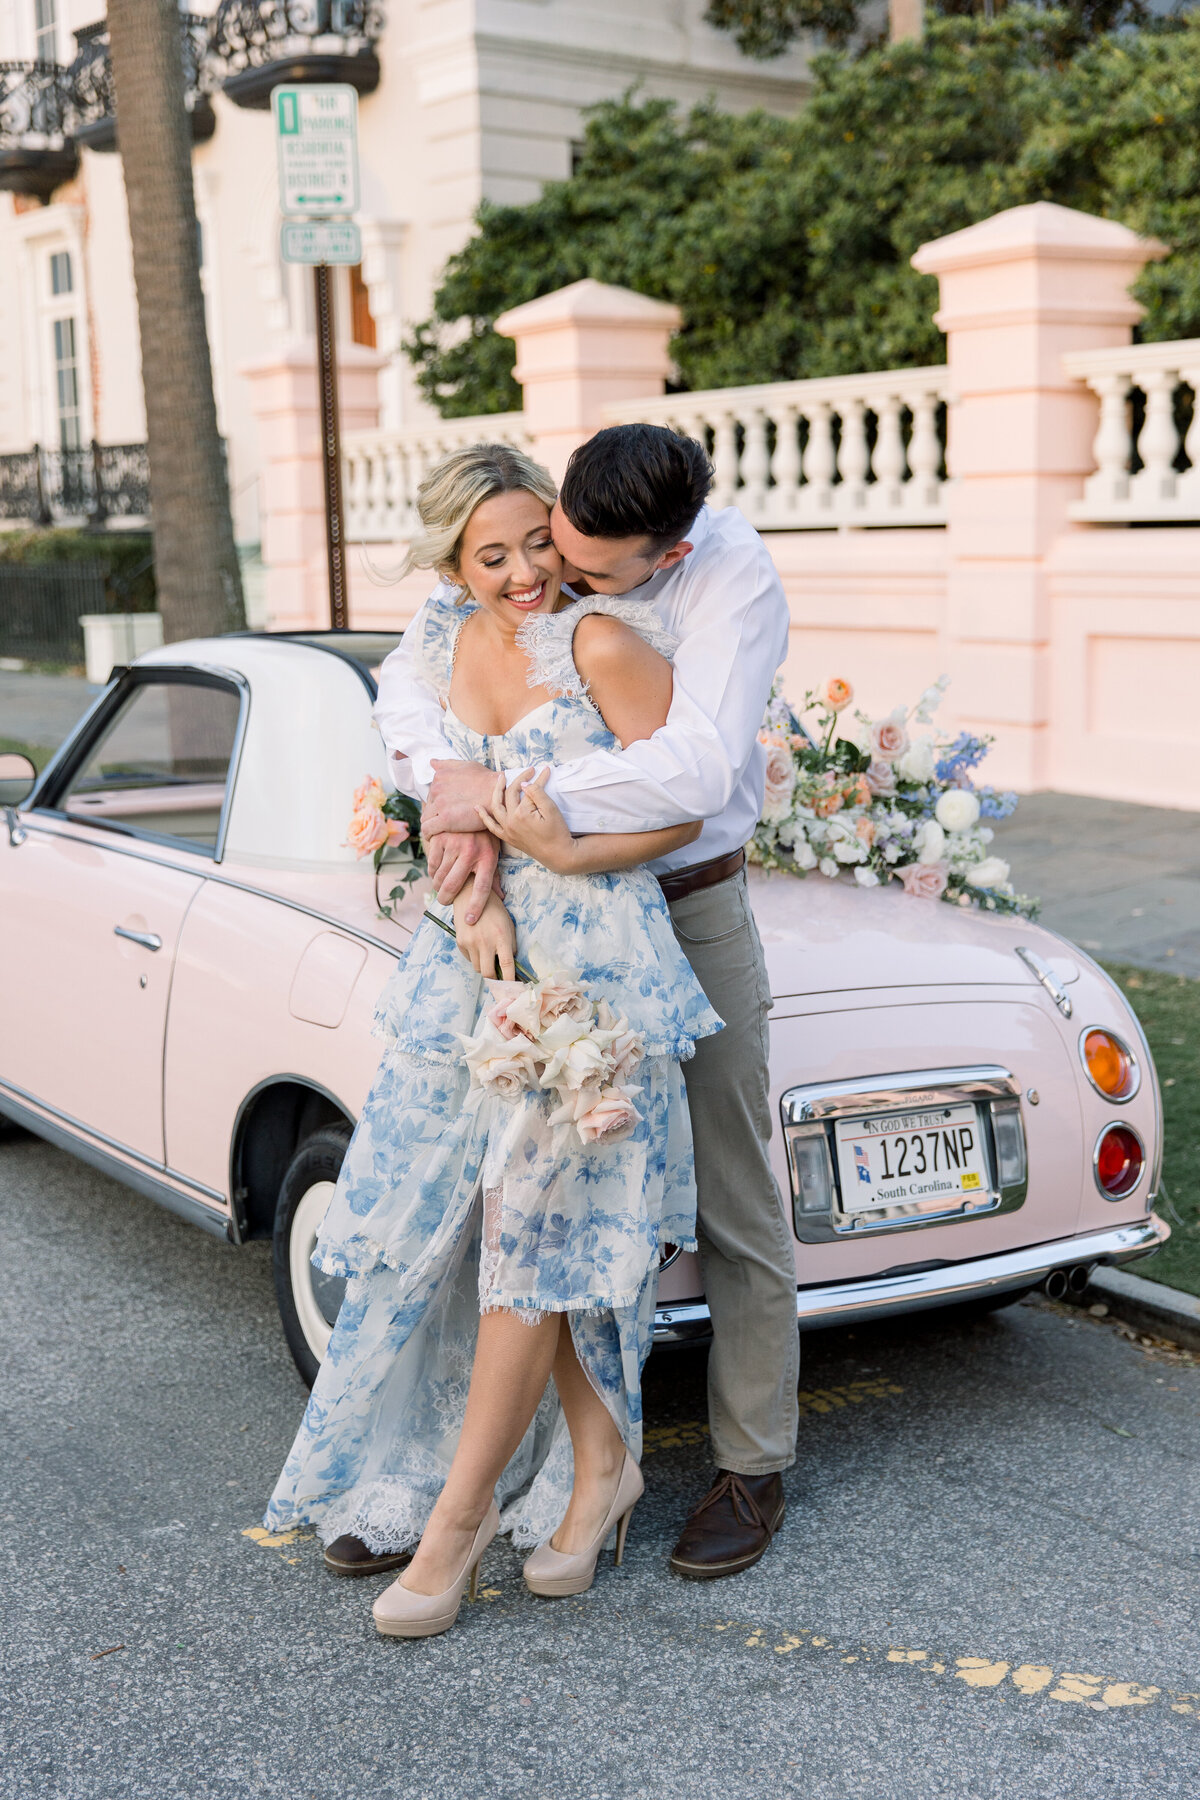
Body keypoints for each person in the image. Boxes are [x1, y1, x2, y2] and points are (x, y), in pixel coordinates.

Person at [264, 443, 722, 1637]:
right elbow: (433, 785)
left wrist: (564, 850)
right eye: (492, 553)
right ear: (452, 560)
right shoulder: (432, 643)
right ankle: (602, 1458)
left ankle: (457, 1531)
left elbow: (688, 802)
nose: (525, 572)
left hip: (592, 973)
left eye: (538, 542)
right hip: (473, 963)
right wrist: (475, 892)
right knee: (496, 1229)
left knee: (534, 1237)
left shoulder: (603, 644)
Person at [376, 422, 800, 1583]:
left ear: (662, 560)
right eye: (547, 543)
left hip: (684, 901)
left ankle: (750, 1463)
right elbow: (409, 696)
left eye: (586, 566)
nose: (552, 577)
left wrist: (514, 799)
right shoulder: (538, 550)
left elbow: (699, 772)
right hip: (550, 918)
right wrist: (449, 793)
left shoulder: (729, 581)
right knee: (530, 1193)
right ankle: (466, 1472)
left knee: (729, 1186)